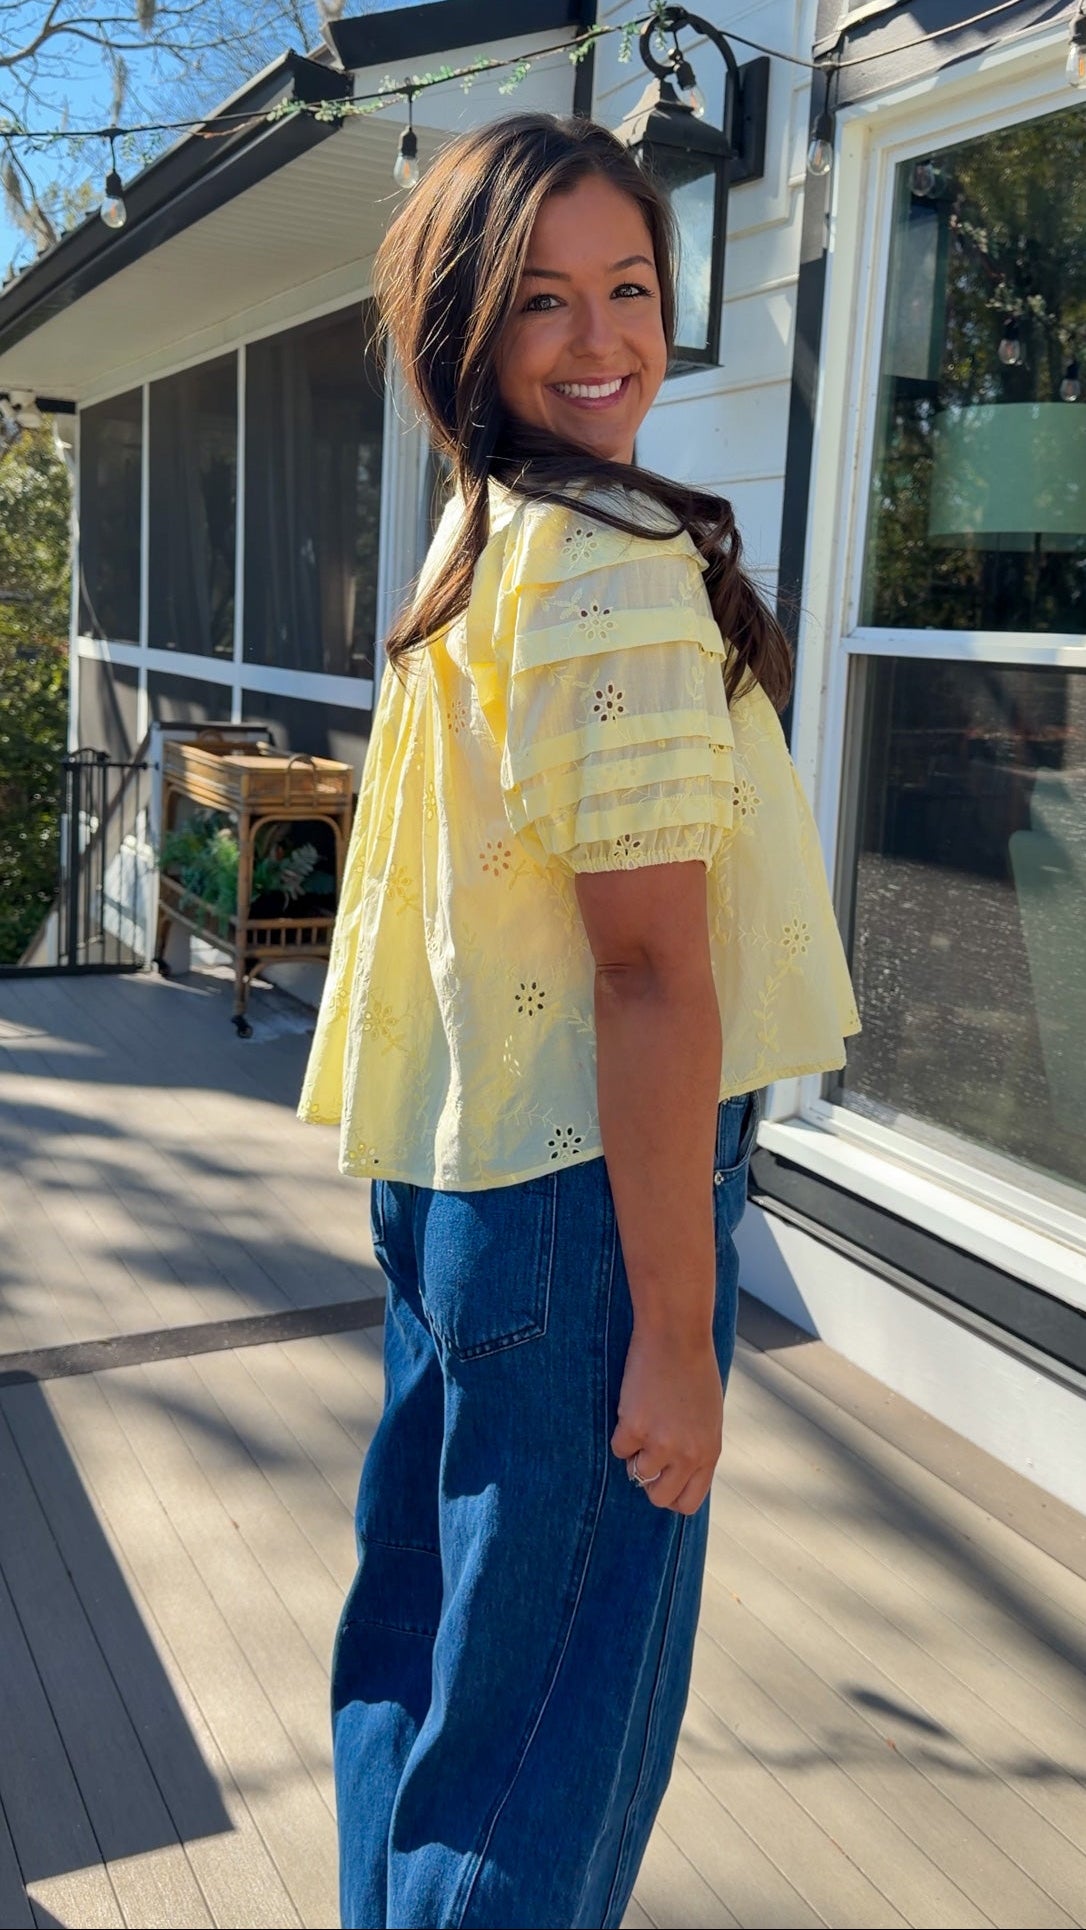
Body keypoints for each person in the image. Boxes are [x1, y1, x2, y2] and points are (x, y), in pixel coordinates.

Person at [299, 110, 859, 1930]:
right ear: (463, 325)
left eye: (631, 287)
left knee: (427, 1671)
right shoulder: (603, 555)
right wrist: (679, 1336)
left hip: (469, 1178)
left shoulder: (484, 532)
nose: (605, 337)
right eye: (543, 299)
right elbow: (644, 972)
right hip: (588, 1206)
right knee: (540, 1751)